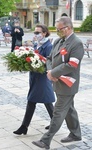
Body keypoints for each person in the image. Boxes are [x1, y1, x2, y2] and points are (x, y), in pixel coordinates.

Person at [32, 16, 84, 149]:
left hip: (68, 84)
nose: (57, 31)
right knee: (69, 110)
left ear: (68, 28)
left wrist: (53, 73)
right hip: (58, 82)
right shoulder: (58, 41)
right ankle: (76, 134)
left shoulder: (76, 43)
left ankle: (45, 140)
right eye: (56, 29)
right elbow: (49, 58)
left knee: (59, 112)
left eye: (59, 29)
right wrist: (50, 72)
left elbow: (72, 64)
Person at [13, 24, 55, 135]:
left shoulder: (48, 46)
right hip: (35, 77)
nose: (35, 35)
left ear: (44, 33)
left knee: (41, 101)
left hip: (42, 78)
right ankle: (26, 126)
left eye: (38, 33)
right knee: (39, 101)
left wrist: (37, 63)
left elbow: (49, 63)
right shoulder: (38, 44)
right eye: (35, 33)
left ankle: (24, 126)